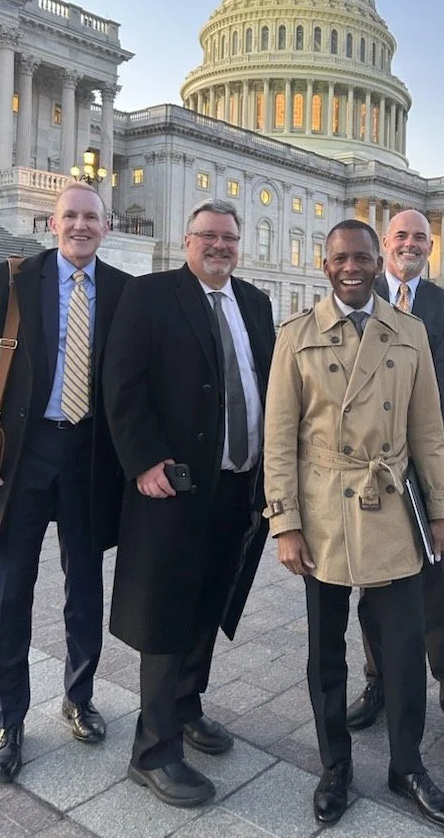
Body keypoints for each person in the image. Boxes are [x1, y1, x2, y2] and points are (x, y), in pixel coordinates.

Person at [264, 220, 444, 829]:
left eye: (363, 259)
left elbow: (429, 430)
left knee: (403, 647)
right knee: (326, 651)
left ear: (380, 264)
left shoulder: (410, 332)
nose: (351, 268)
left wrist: (438, 509)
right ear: (324, 266)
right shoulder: (295, 335)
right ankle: (335, 767)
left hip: (390, 506)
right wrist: (284, 521)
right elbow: (278, 438)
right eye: (340, 258)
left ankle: (407, 766)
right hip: (323, 507)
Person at [0, 183, 128, 782]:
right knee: (9, 590)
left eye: (91, 218)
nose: (80, 226)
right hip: (21, 457)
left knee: (85, 587)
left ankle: (79, 697)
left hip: (89, 458)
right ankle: (9, 719)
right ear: (52, 224)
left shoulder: (126, 293)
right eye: (69, 216)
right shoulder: (9, 282)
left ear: (106, 226)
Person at [103, 199, 275, 809]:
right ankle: (153, 751)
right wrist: (145, 462)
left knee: (209, 601)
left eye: (229, 238)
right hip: (173, 485)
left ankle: (187, 706)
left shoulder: (255, 303)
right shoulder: (151, 296)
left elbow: (268, 385)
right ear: (186, 241)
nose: (220, 246)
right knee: (166, 612)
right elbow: (121, 383)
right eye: (209, 236)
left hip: (236, 484)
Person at [346, 209, 444, 778]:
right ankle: (378, 681)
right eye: (401, 236)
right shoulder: (358, 289)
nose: (410, 244)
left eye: (420, 238)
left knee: (440, 585)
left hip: (428, 465)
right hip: (365, 471)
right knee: (373, 583)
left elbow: (441, 378)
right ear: (385, 243)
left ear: (432, 247)